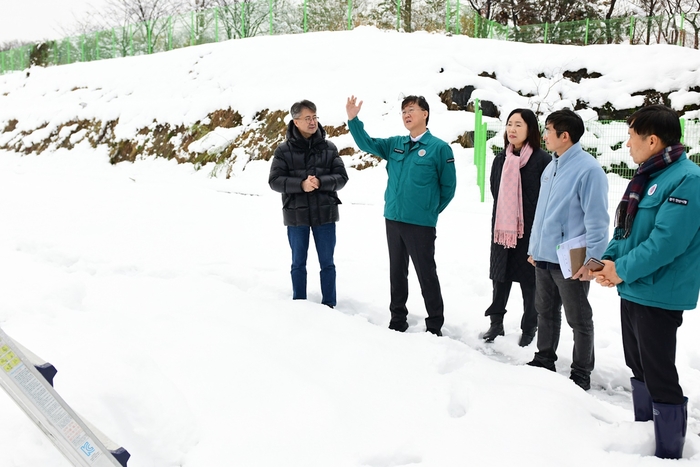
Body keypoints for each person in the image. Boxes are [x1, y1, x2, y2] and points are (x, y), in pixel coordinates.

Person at [592, 105, 700, 459]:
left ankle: (668, 453)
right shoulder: (647, 177)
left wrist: (621, 269)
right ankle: (643, 435)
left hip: (660, 292)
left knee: (659, 374)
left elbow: (667, 242)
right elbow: (625, 230)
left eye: (631, 136)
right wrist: (608, 260)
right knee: (637, 365)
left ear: (652, 140)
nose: (627, 144)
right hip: (635, 287)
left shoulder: (687, 179)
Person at [345, 95, 456, 336]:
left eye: (412, 109)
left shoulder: (439, 148)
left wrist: (429, 210)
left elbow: (449, 188)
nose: (407, 114)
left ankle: (435, 324)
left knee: (426, 273)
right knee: (397, 272)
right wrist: (354, 120)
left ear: (425, 113)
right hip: (393, 219)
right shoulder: (396, 144)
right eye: (403, 111)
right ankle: (397, 319)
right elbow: (367, 144)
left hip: (420, 223)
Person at [526, 108, 609, 391]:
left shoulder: (589, 169)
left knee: (579, 318)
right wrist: (533, 247)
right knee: (545, 311)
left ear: (565, 135)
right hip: (544, 255)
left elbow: (597, 220)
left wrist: (594, 262)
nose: (545, 135)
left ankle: (581, 372)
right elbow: (541, 213)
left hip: (571, 259)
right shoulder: (552, 166)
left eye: (548, 130)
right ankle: (544, 358)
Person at [269, 100, 349, 308]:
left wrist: (322, 182)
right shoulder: (283, 151)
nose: (312, 122)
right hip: (296, 215)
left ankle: (330, 304)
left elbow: (342, 177)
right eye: (307, 118)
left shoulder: (329, 148)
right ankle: (299, 304)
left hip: (325, 213)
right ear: (296, 122)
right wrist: (300, 185)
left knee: (327, 263)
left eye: (315, 117)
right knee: (298, 263)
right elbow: (274, 181)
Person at [481, 109, 551, 346]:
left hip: (531, 231)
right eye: (509, 124)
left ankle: (529, 327)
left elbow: (546, 198)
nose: (512, 129)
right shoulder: (501, 160)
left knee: (530, 281)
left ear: (530, 129)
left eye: (518, 125)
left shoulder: (543, 161)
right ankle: (496, 323)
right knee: (500, 278)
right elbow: (495, 191)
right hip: (503, 228)